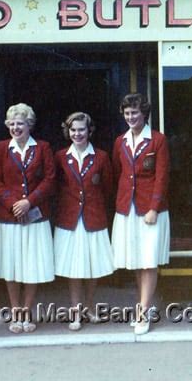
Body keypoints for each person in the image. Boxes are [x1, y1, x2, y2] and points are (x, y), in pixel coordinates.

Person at [0, 103, 55, 334]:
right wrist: (12, 203)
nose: (16, 127)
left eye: (21, 123)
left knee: (32, 265)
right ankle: (16, 311)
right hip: (10, 218)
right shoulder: (0, 148)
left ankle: (27, 312)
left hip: (36, 217)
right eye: (12, 123)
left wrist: (30, 201)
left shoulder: (43, 148)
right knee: (12, 265)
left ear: (30, 124)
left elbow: (49, 179)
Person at [111, 93, 170, 335]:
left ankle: (143, 312)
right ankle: (143, 304)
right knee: (136, 261)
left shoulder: (158, 140)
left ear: (144, 113)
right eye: (127, 113)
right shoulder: (120, 142)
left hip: (150, 211)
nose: (131, 117)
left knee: (148, 261)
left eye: (135, 112)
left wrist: (154, 208)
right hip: (127, 209)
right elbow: (119, 173)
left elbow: (162, 176)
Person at [54, 112, 114, 331]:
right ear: (67, 132)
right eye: (73, 130)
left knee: (92, 265)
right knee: (74, 268)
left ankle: (89, 306)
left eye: (81, 129)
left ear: (90, 130)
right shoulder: (60, 156)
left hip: (93, 217)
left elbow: (107, 187)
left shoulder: (101, 157)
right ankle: (75, 311)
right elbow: (57, 187)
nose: (77, 134)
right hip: (69, 219)